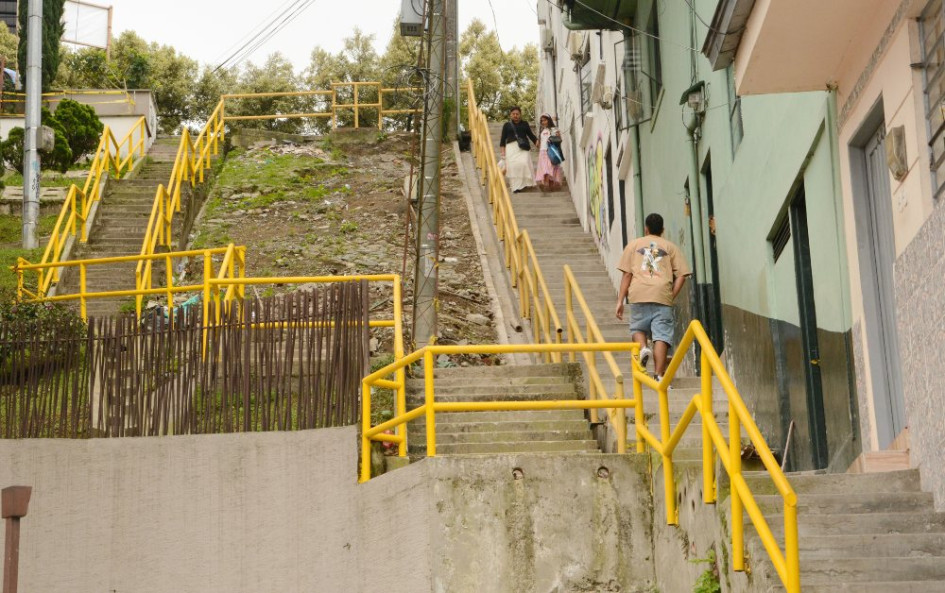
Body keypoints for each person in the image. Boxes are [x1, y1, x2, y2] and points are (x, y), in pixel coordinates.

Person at [614, 213, 691, 382]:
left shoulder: (633, 245)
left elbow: (627, 275)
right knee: (661, 336)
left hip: (639, 292)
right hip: (662, 294)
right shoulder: (670, 247)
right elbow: (682, 276)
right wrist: (671, 295)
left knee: (637, 329)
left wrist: (620, 301)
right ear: (662, 230)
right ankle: (659, 375)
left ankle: (643, 349)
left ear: (645, 228)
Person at [499, 105, 537, 193]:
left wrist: (538, 143)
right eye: (513, 114)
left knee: (523, 164)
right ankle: (516, 187)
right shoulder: (507, 125)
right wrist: (503, 153)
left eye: (517, 114)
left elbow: (531, 136)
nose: (515, 115)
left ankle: (523, 184)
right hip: (511, 148)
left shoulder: (525, 124)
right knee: (513, 167)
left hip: (523, 147)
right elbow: (502, 140)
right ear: (510, 115)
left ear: (520, 114)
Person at [534, 113, 563, 191]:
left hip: (550, 151)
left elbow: (559, 139)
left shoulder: (553, 129)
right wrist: (538, 142)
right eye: (542, 121)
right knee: (545, 168)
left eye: (545, 120)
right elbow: (540, 142)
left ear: (549, 120)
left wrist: (556, 136)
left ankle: (546, 184)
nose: (543, 122)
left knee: (548, 168)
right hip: (542, 152)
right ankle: (548, 185)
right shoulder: (542, 130)